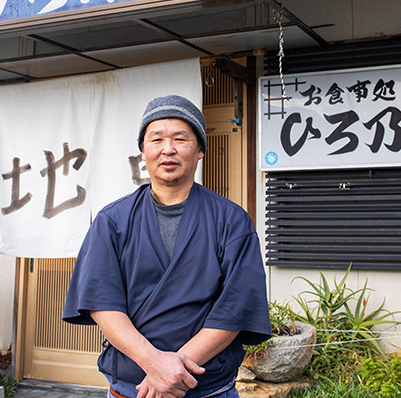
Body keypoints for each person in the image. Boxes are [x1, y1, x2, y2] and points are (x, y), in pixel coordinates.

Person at [63, 95, 271, 398]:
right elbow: (101, 301)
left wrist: (172, 373)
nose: (168, 149)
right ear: (143, 151)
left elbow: (236, 309)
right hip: (131, 387)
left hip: (207, 388)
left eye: (180, 139)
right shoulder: (113, 220)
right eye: (156, 139)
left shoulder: (231, 220)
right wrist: (155, 363)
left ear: (200, 150)